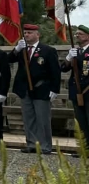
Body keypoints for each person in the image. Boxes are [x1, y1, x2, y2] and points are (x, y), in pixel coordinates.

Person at [9, 23, 61, 154]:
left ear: (38, 35)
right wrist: (16, 49)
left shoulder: (48, 50)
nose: (26, 35)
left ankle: (45, 146)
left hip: (41, 89)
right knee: (28, 118)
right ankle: (31, 144)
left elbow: (55, 71)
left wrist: (55, 89)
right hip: (25, 89)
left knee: (42, 119)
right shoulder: (22, 49)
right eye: (25, 33)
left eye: (30, 33)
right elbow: (8, 59)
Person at [60, 24, 89, 155]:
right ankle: (84, 149)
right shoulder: (75, 51)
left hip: (88, 91)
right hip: (77, 92)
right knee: (81, 121)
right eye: (76, 34)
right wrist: (68, 58)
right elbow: (64, 68)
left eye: (80, 34)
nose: (77, 36)